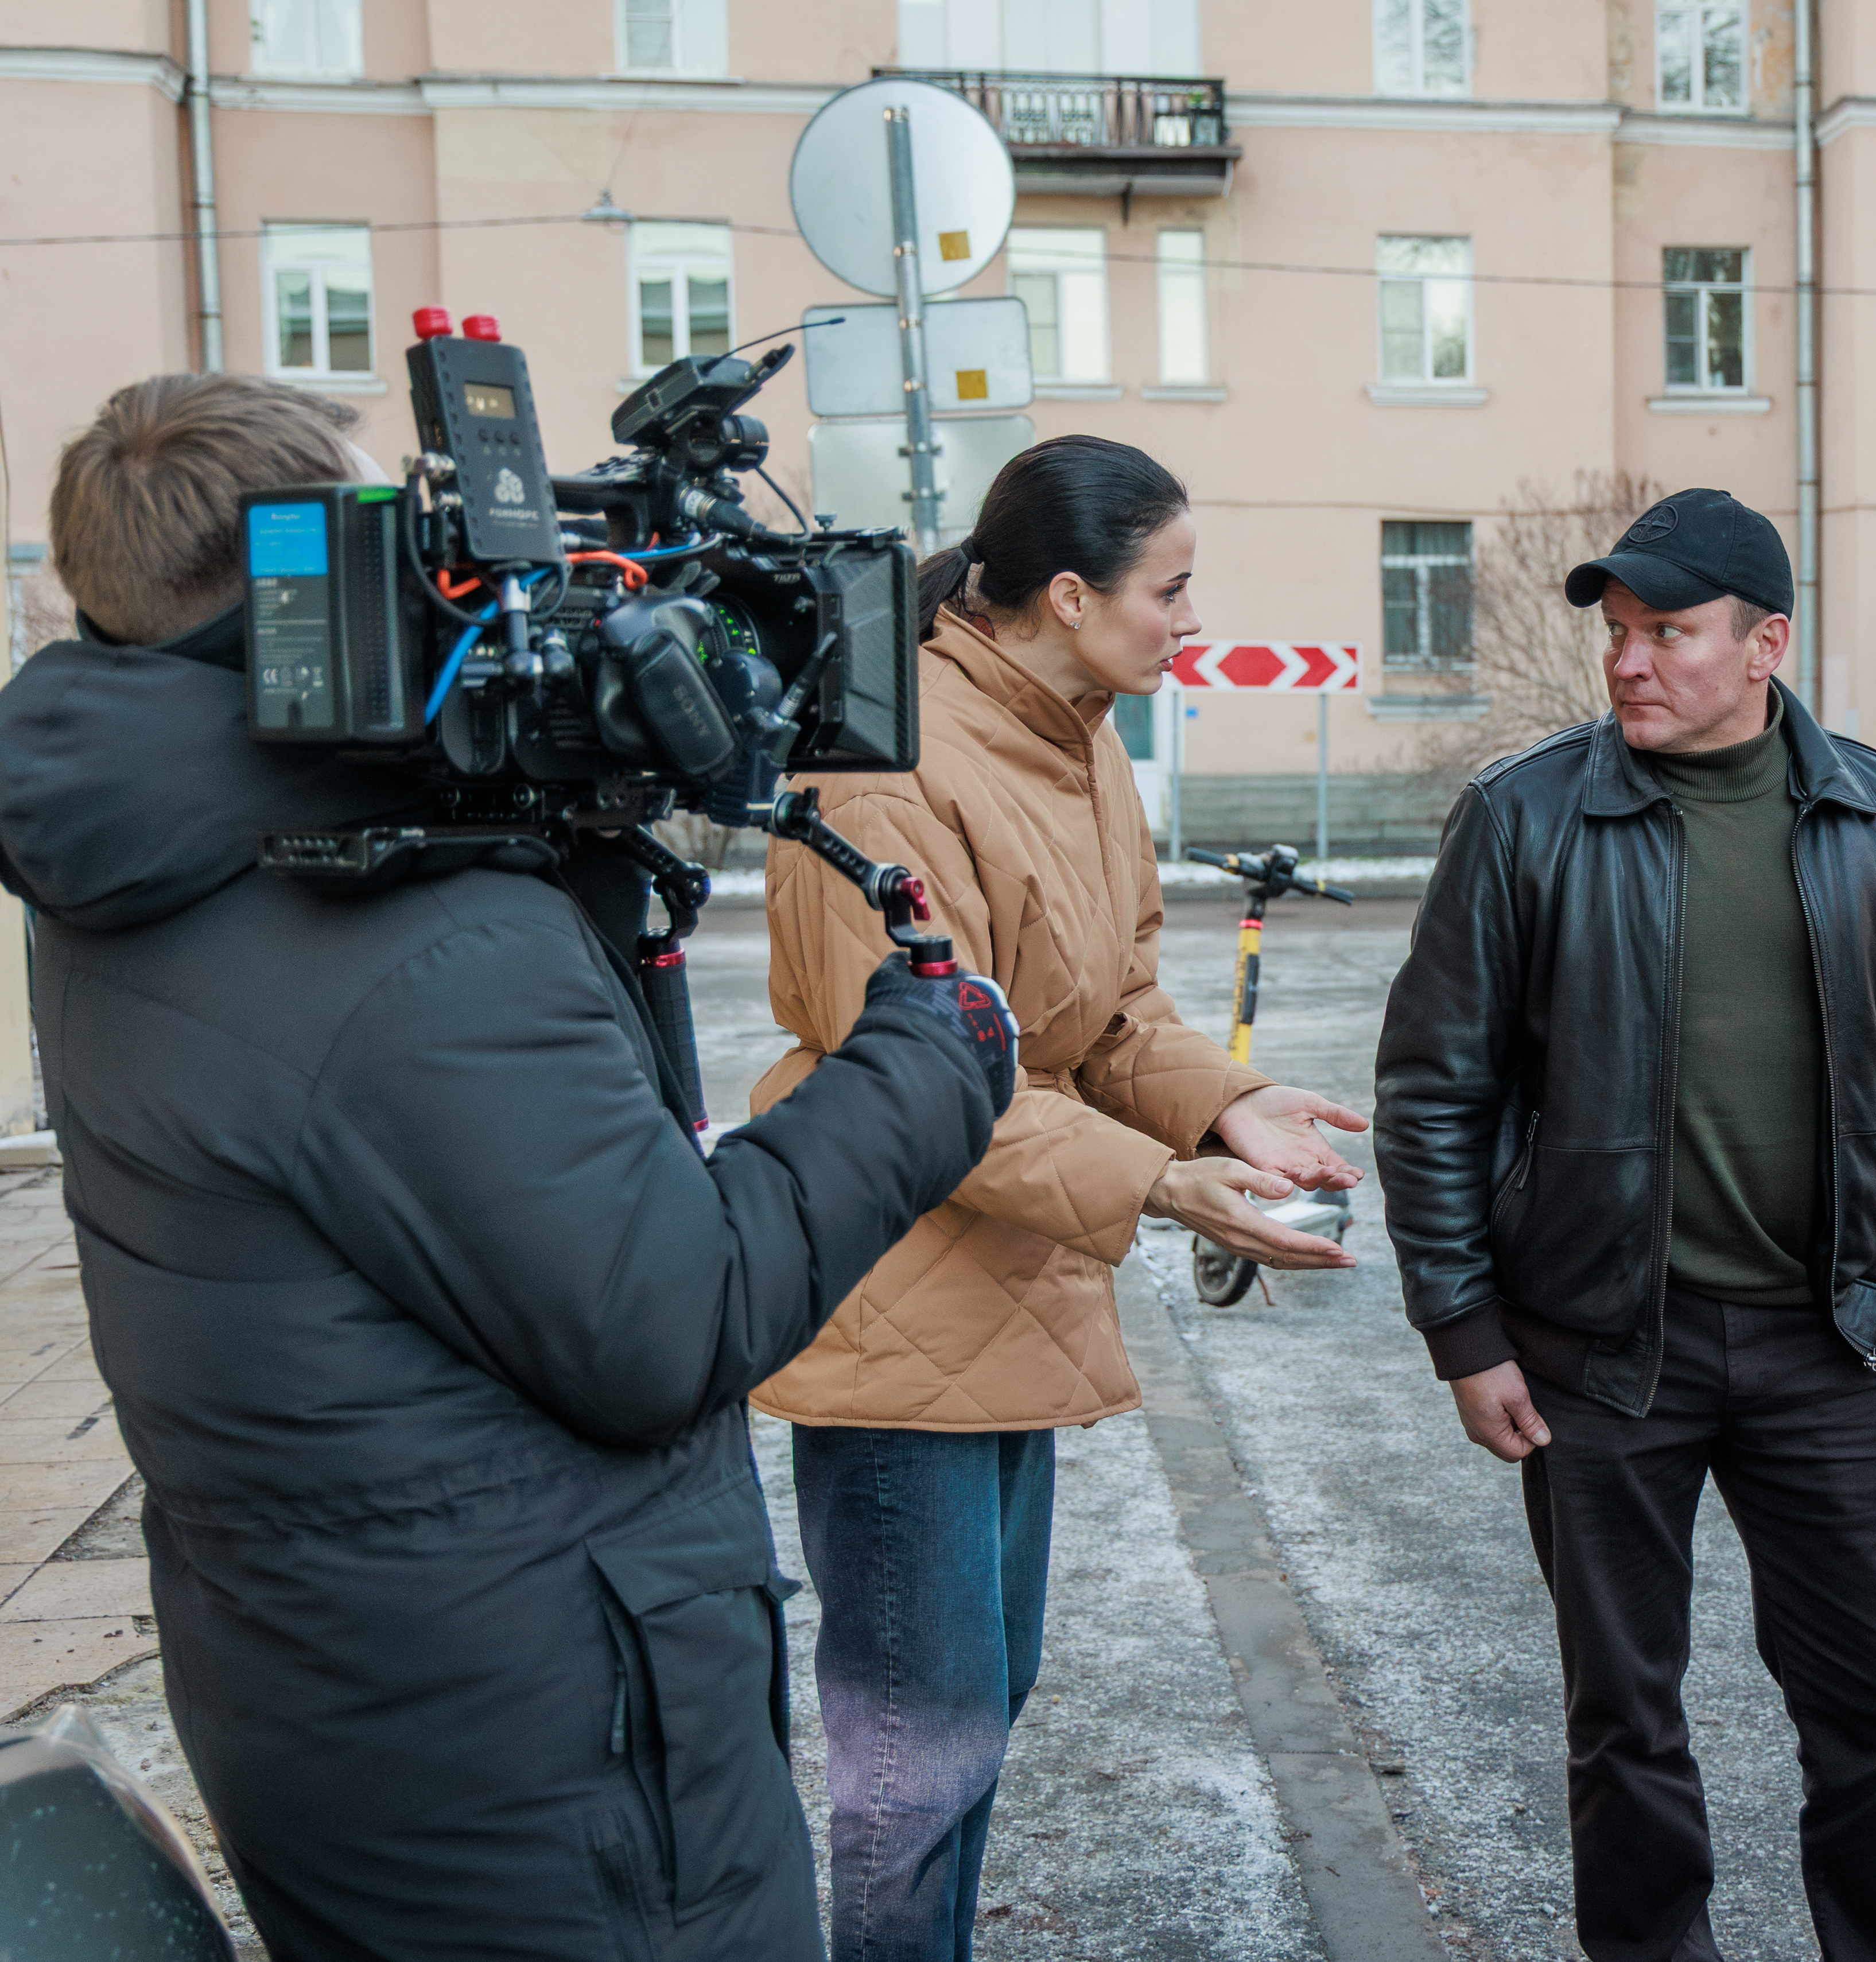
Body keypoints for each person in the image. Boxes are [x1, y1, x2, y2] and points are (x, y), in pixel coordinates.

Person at [0, 372, 1017, 1957]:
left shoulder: (140, 855)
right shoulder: (416, 933)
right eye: (421, 546)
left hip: (345, 1695)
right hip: (559, 1772)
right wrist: (933, 1056)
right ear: (318, 572)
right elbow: (665, 1317)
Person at [751, 433, 1368, 1961]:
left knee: (980, 1701)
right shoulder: (885, 761)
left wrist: (1228, 1098)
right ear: (1075, 593)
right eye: (1173, 591)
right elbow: (924, 1075)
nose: (1188, 621)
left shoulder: (1078, 732)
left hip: (1007, 1286)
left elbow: (1108, 1012)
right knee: (917, 1751)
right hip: (900, 1308)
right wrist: (1164, 1182)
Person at [1373, 488, 1876, 1962]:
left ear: (1766, 641)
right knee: (1623, 1720)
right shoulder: (1524, 815)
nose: (1629, 662)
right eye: (1618, 633)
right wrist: (1462, 1326)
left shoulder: (1871, 806)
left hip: (1829, 1343)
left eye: (1670, 633)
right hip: (1597, 1358)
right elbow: (1432, 1085)